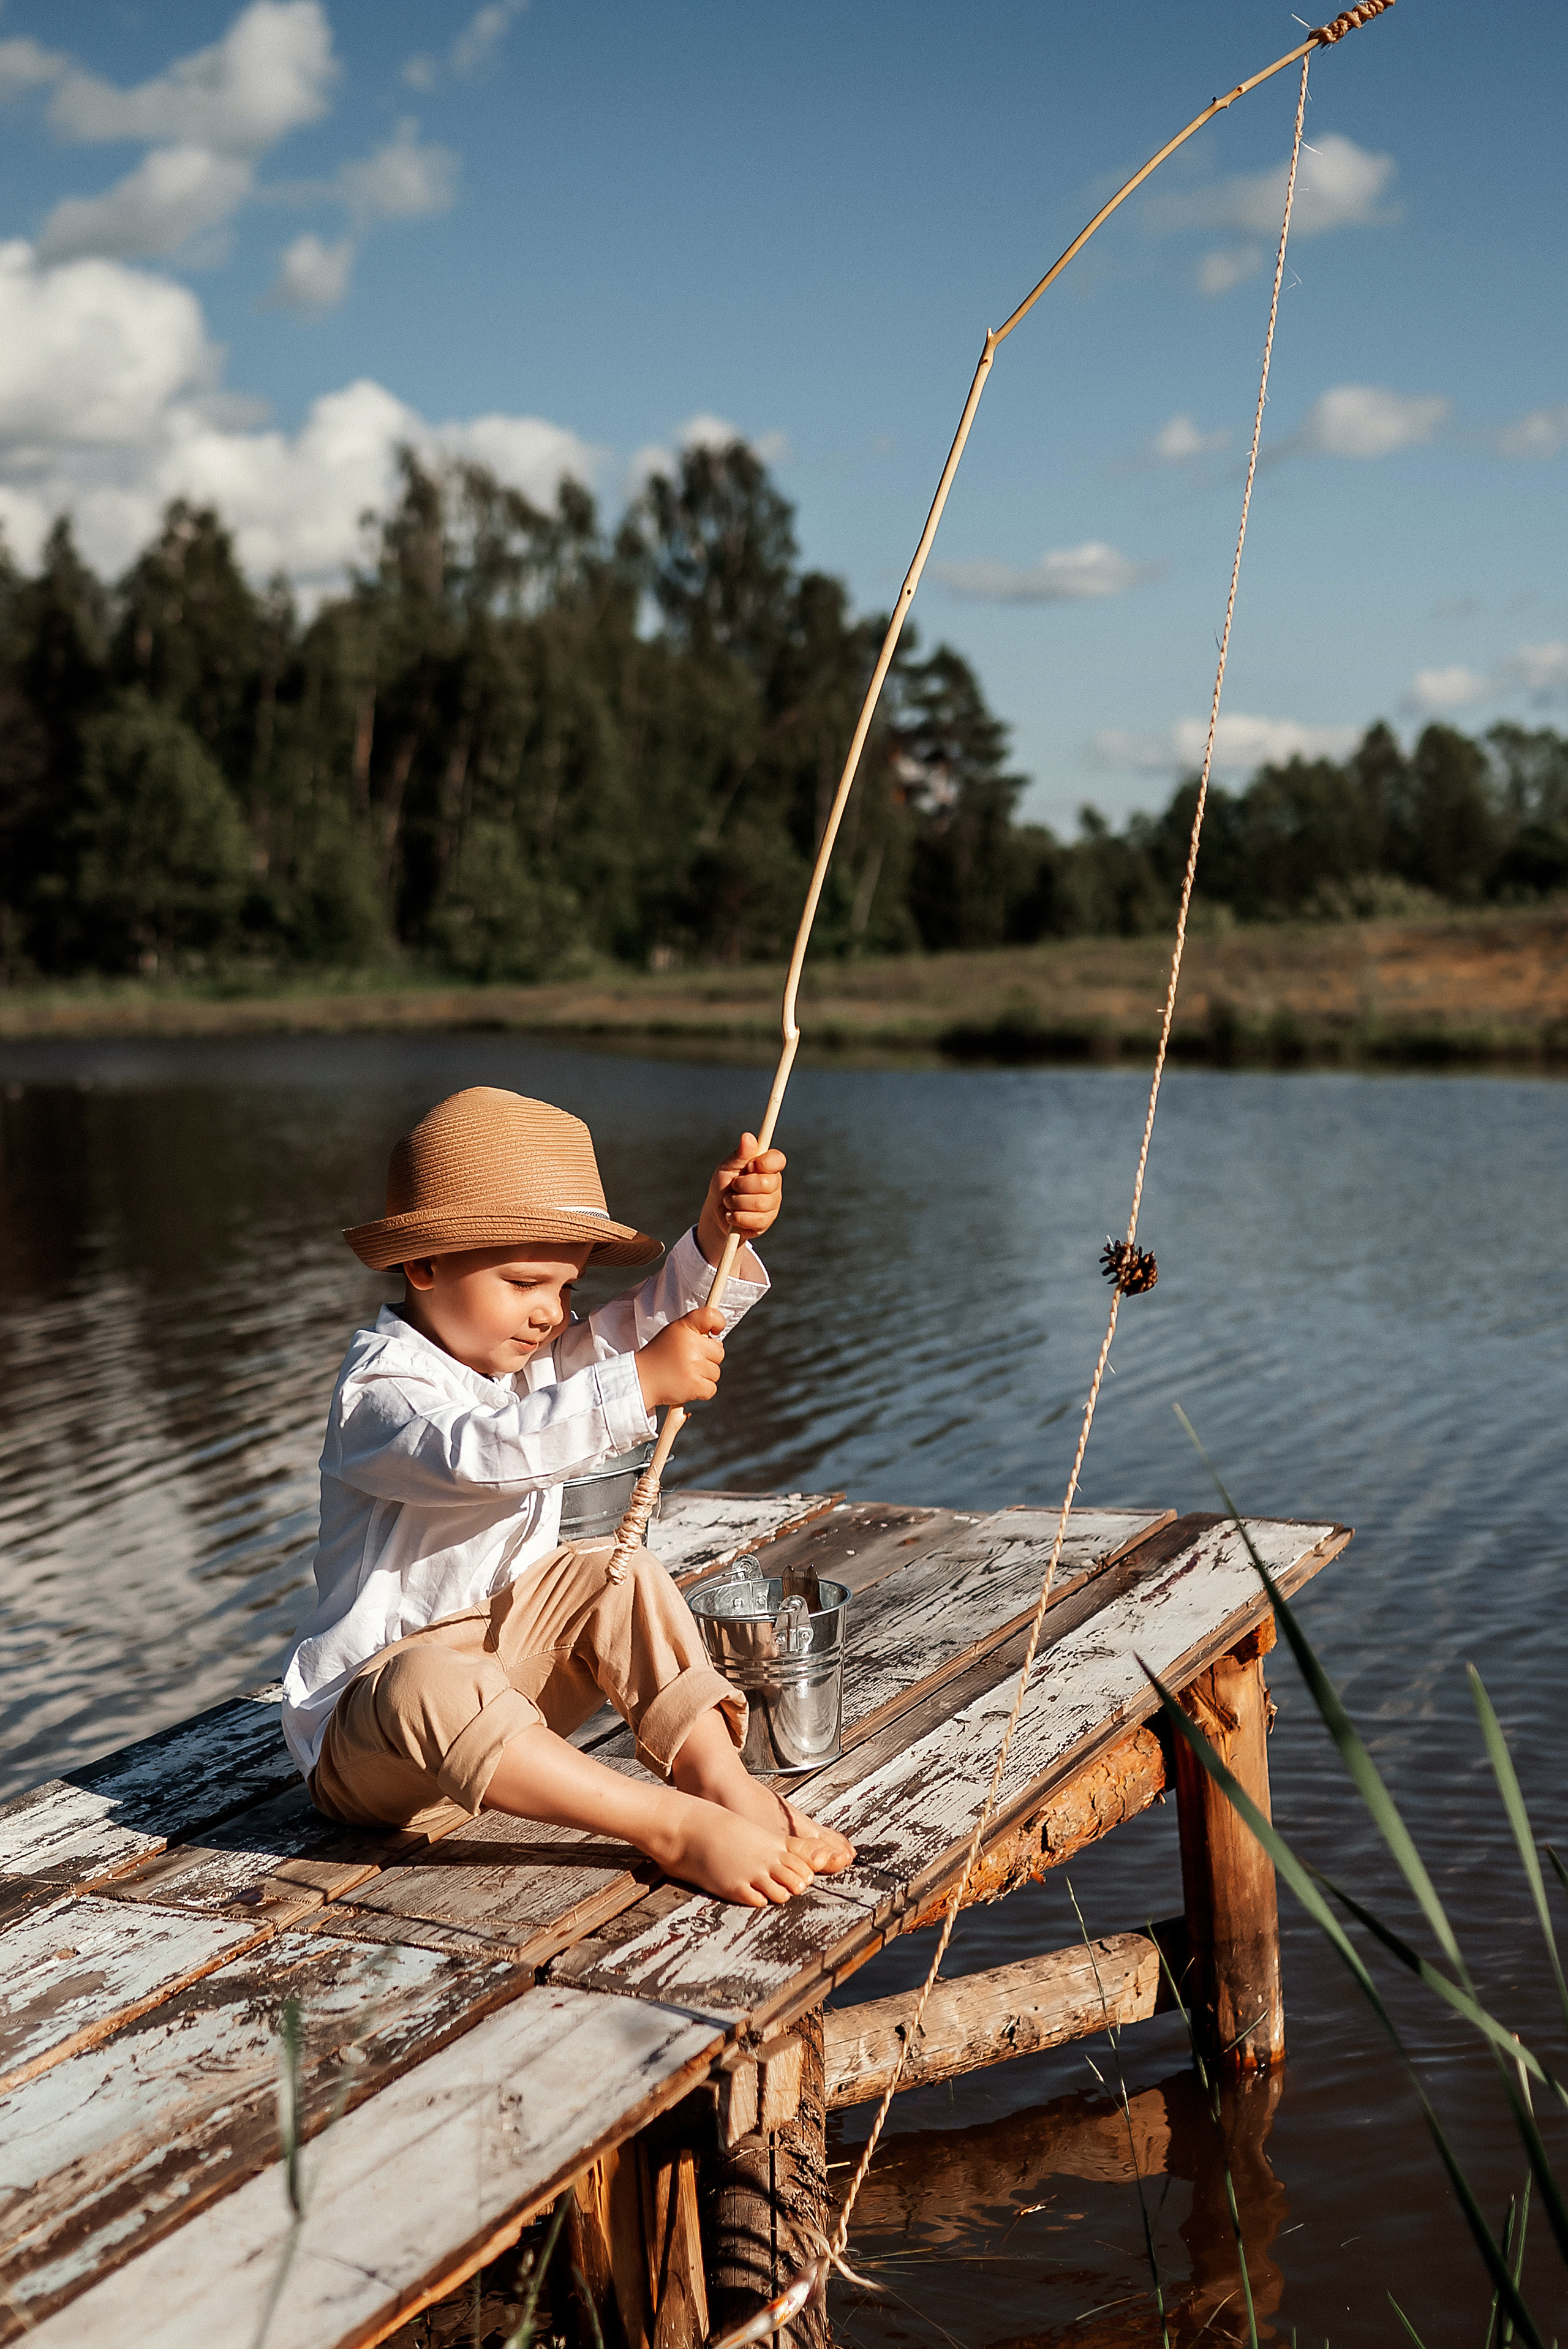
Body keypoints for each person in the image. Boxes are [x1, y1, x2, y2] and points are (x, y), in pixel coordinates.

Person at [281, 1085, 854, 1907]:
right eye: (524, 1284)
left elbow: (648, 1327)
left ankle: (723, 1785)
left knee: (608, 1573)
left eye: (566, 1289)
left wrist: (718, 1234)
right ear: (424, 1263)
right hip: (377, 1742)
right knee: (425, 1679)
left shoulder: (525, 1363)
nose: (551, 1315)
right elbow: (475, 1456)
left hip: (510, 1707)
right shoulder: (382, 1389)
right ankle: (670, 1825)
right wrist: (640, 1385)